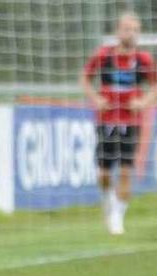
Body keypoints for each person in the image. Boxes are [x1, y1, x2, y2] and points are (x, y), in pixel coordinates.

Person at [80, 11, 157, 235]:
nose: (130, 33)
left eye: (134, 30)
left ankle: (117, 217)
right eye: (126, 28)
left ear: (139, 34)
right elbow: (85, 78)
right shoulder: (104, 56)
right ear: (117, 31)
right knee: (103, 174)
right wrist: (95, 98)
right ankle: (108, 201)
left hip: (131, 122)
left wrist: (143, 102)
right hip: (106, 120)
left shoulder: (143, 61)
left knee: (125, 171)